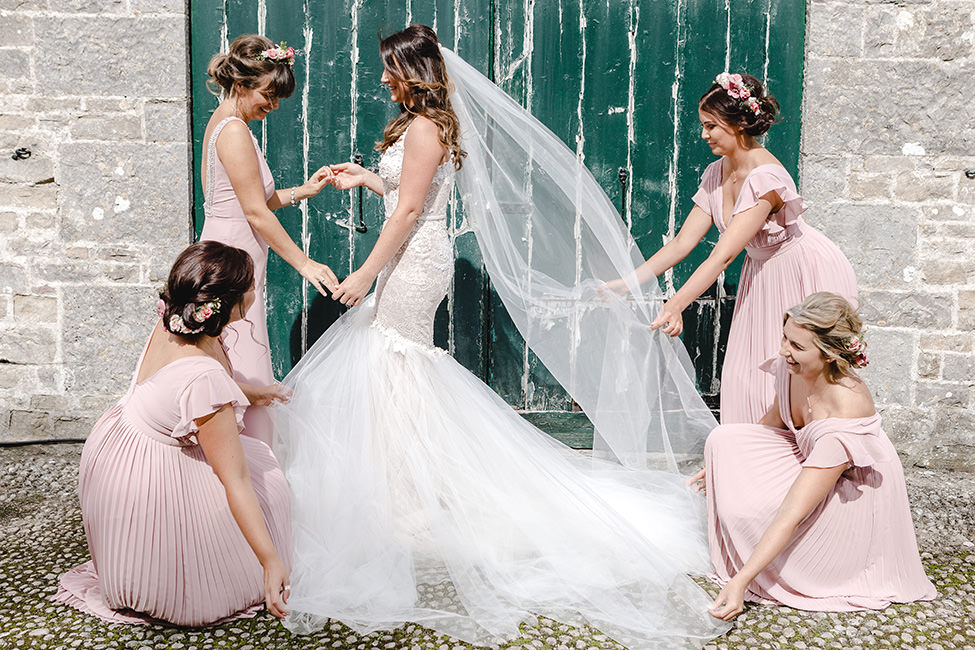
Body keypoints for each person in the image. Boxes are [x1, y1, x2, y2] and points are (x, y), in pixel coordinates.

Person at [272, 24, 729, 649]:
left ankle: (410, 491)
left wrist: (364, 273)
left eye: (389, 68)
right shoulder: (416, 123)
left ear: (413, 70)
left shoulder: (429, 127)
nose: (381, 78)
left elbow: (411, 213)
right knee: (391, 364)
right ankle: (403, 482)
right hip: (406, 255)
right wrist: (366, 178)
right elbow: (407, 194)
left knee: (396, 360)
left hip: (412, 260)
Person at [54, 241, 294, 626]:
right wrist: (269, 561)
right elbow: (235, 480)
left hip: (116, 448)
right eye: (250, 285)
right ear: (227, 303)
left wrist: (254, 393)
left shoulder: (176, 320)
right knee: (268, 488)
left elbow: (177, 386)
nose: (255, 290)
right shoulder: (205, 376)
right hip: (145, 478)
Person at [603, 73, 857, 425]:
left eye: (711, 126)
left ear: (739, 124)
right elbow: (682, 242)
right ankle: (752, 461)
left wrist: (676, 305)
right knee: (744, 374)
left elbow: (722, 255)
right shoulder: (716, 172)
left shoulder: (766, 178)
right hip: (762, 272)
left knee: (794, 372)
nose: (704, 134)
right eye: (703, 126)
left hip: (802, 269)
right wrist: (626, 282)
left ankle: (806, 462)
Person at [689, 292, 936, 621]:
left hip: (852, 497)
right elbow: (772, 423)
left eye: (796, 347)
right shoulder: (794, 367)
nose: (783, 351)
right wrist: (724, 464)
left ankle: (783, 564)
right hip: (808, 459)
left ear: (832, 353)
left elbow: (793, 512)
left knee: (762, 514)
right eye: (785, 338)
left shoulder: (844, 412)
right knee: (724, 439)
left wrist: (741, 582)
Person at [200, 34, 339, 446]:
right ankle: (253, 465)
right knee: (244, 364)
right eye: (268, 95)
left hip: (231, 252)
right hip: (232, 262)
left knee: (229, 360)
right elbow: (255, 212)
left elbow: (252, 199)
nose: (273, 106)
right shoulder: (234, 131)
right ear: (242, 84)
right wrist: (305, 263)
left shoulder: (228, 121)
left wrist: (302, 192)